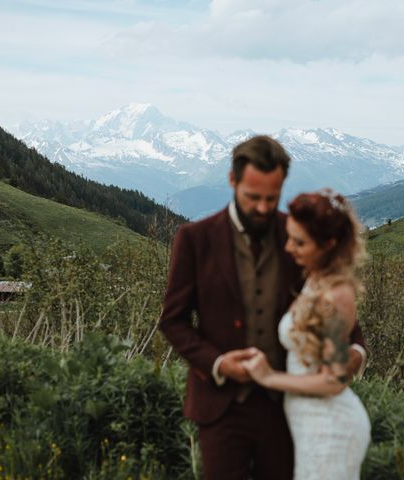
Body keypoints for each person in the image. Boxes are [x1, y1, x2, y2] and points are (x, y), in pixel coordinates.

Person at [158, 136, 367, 480]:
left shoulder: (298, 235)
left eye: (271, 198)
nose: (261, 207)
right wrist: (219, 362)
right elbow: (173, 320)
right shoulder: (194, 238)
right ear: (233, 181)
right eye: (252, 197)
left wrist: (356, 352)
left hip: (285, 408)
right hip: (221, 407)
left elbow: (333, 300)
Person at [243, 189, 371, 480]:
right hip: (307, 422)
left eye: (299, 242)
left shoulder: (337, 295)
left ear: (328, 244)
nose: (289, 248)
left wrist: (268, 377)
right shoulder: (314, 278)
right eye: (289, 237)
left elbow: (334, 380)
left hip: (330, 428)